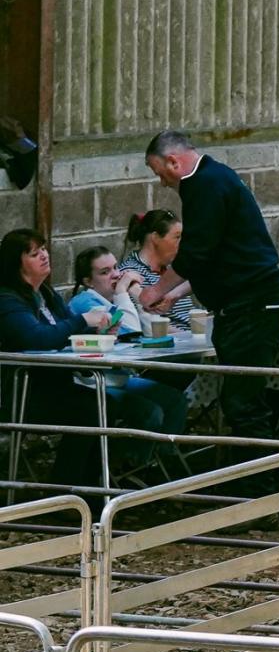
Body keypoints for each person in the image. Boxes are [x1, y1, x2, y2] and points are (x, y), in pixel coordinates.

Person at [145, 130, 279, 455]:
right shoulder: (217, 177)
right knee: (241, 398)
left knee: (243, 401)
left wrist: (156, 289)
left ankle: (260, 488)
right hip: (249, 301)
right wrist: (177, 293)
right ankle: (255, 480)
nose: (163, 183)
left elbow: (196, 254)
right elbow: (216, 256)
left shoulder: (205, 185)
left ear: (174, 161)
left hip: (251, 305)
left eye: (160, 173)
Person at [0, 229, 171, 490]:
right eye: (35, 254)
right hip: (25, 392)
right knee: (92, 409)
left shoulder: (45, 293)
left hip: (59, 383)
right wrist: (83, 321)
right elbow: (38, 338)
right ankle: (65, 487)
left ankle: (89, 485)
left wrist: (97, 331)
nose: (45, 256)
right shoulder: (8, 300)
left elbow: (65, 334)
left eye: (44, 248)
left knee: (105, 406)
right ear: (17, 263)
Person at [68, 246, 190, 436]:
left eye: (116, 267)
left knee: (175, 401)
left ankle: (164, 458)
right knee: (151, 413)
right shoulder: (85, 301)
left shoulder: (113, 301)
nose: (116, 275)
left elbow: (150, 331)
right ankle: (131, 460)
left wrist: (136, 294)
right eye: (105, 272)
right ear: (88, 281)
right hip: (93, 382)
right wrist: (123, 291)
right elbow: (130, 333)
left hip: (120, 378)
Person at [123, 209, 195, 332]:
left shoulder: (173, 269)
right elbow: (145, 323)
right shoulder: (131, 274)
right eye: (177, 237)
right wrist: (191, 336)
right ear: (155, 238)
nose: (182, 243)